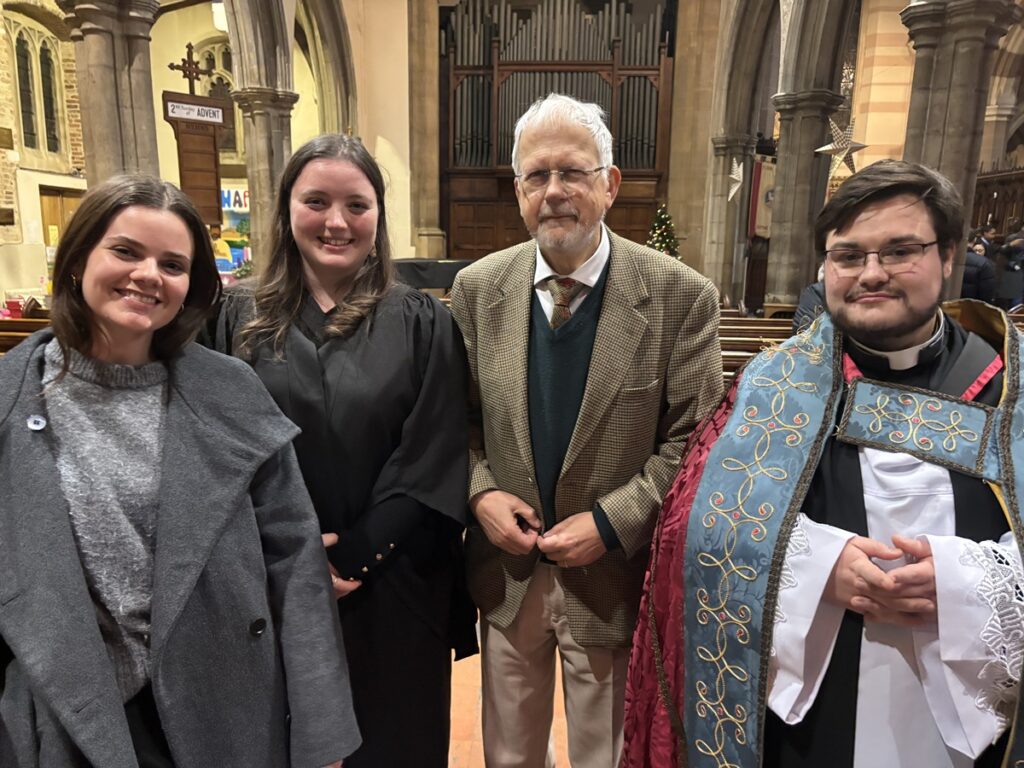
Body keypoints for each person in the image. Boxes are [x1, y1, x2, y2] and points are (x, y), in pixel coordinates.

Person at [623, 159, 1024, 768]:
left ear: (948, 256)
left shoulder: (1011, 390)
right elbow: (694, 531)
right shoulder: (772, 385)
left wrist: (965, 584)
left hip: (972, 720)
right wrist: (816, 569)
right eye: (848, 255)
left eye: (898, 251)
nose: (871, 274)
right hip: (811, 717)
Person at [0, 175, 359, 767]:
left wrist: (321, 732)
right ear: (77, 258)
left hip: (224, 701)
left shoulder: (229, 390)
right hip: (68, 716)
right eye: (125, 251)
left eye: (172, 264)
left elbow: (294, 560)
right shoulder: (12, 400)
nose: (148, 276)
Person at [449, 93, 722, 767]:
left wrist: (610, 522)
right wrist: (481, 494)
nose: (554, 192)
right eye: (536, 176)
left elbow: (692, 443)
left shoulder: (681, 297)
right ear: (517, 191)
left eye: (572, 172)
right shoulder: (477, 290)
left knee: (606, 755)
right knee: (509, 755)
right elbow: (453, 423)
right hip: (508, 574)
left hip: (613, 576)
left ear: (610, 183)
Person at [208, 133, 475, 767]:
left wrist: (354, 556)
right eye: (317, 201)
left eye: (356, 205)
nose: (337, 222)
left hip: (394, 578)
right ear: (286, 208)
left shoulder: (420, 319)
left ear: (379, 216)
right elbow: (217, 444)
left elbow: (433, 446)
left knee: (395, 741)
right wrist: (294, 559)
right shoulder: (233, 315)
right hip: (269, 577)